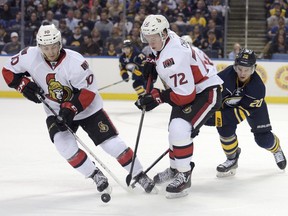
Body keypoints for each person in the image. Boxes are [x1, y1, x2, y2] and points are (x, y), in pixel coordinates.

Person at [1, 24, 155, 195]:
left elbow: (88, 92)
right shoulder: (29, 56)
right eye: (46, 48)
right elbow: (7, 70)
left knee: (112, 144)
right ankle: (94, 174)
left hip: (88, 110)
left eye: (54, 46)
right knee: (64, 146)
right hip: (55, 111)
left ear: (60, 43)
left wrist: (70, 109)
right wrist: (22, 85)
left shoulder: (75, 61)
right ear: (39, 46)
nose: (51, 51)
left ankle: (139, 174)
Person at [135, 14, 223, 198]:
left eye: (154, 38)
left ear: (164, 33)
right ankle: (175, 169)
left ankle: (184, 174)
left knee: (179, 129)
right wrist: (152, 61)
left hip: (205, 91)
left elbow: (185, 95)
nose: (151, 43)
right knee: (174, 131)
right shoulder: (169, 38)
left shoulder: (173, 57)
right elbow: (160, 55)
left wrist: (157, 97)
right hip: (190, 88)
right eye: (148, 38)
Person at [205, 48, 287, 177]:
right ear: (235, 66)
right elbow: (211, 99)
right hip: (228, 106)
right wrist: (201, 116)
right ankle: (232, 159)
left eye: (247, 70)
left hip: (253, 108)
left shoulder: (258, 88)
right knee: (225, 130)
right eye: (240, 69)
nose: (242, 73)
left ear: (253, 68)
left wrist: (212, 119)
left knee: (263, 139)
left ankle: (276, 149)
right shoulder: (223, 78)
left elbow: (238, 115)